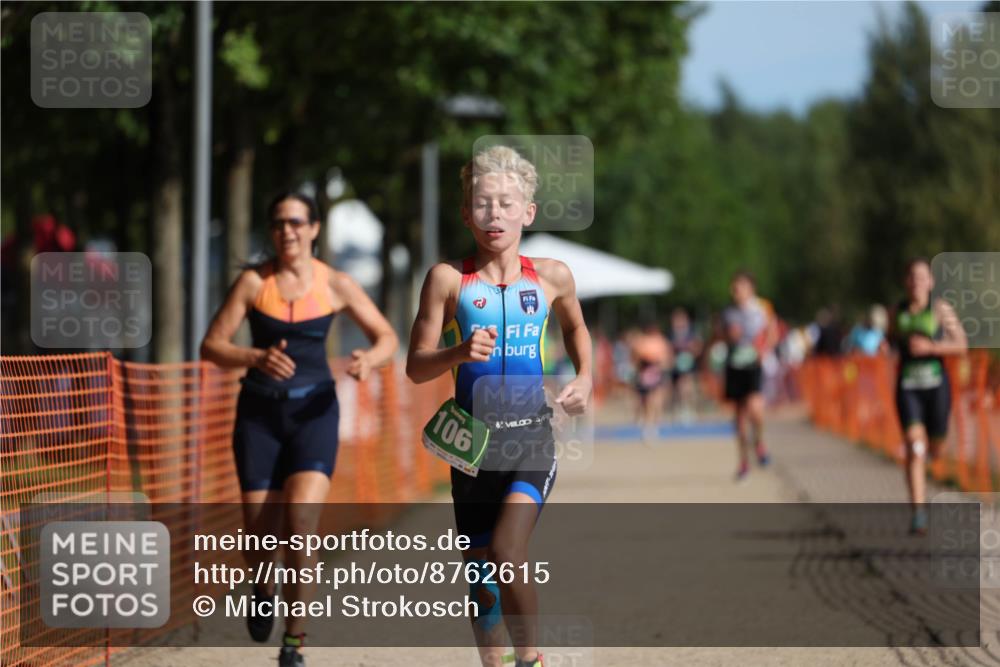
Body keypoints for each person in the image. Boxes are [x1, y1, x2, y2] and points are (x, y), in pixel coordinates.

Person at [407, 146, 592, 667]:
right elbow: (416, 365)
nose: (494, 214)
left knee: (507, 554)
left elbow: (576, 327)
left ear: (527, 213)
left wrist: (587, 376)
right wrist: (457, 352)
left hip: (531, 438)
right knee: (481, 575)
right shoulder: (448, 280)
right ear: (466, 213)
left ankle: (530, 659)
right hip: (472, 447)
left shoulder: (552, 276)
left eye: (506, 203)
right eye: (482, 204)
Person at [200, 192, 398, 667]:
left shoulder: (337, 284)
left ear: (313, 229)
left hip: (315, 414)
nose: (286, 231)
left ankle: (294, 643)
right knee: (258, 537)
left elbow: (387, 336)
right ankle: (262, 584)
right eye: (278, 223)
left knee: (301, 526)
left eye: (295, 222)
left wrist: (369, 359)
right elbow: (212, 346)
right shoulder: (253, 283)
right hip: (260, 416)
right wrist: (254, 356)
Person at [889, 258, 966, 535]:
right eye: (911, 277)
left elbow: (961, 345)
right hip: (908, 387)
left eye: (921, 277)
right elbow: (889, 338)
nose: (916, 282)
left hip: (936, 387)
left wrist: (932, 347)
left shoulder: (940, 308)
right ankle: (918, 512)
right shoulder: (896, 310)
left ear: (931, 282)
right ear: (905, 282)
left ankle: (932, 454)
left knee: (936, 449)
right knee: (914, 446)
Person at [723, 270, 779, 481]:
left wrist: (762, 349)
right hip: (734, 365)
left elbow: (773, 333)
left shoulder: (763, 307)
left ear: (750, 289)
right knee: (739, 419)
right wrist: (728, 337)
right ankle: (743, 462)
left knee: (756, 409)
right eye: (734, 287)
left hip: (754, 365)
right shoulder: (727, 311)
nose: (735, 291)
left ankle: (759, 444)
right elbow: (719, 334)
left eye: (739, 287)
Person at [630, 320, 672, 442]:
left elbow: (666, 359)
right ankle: (649, 426)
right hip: (646, 373)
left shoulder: (659, 341)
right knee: (647, 401)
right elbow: (636, 358)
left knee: (655, 400)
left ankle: (654, 425)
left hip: (656, 372)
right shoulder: (642, 342)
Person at [669, 307, 703, 423]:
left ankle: (690, 409)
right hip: (676, 366)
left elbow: (698, 347)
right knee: (678, 387)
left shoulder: (691, 333)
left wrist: (691, 351)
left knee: (687, 386)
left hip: (689, 364)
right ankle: (679, 408)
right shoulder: (671, 334)